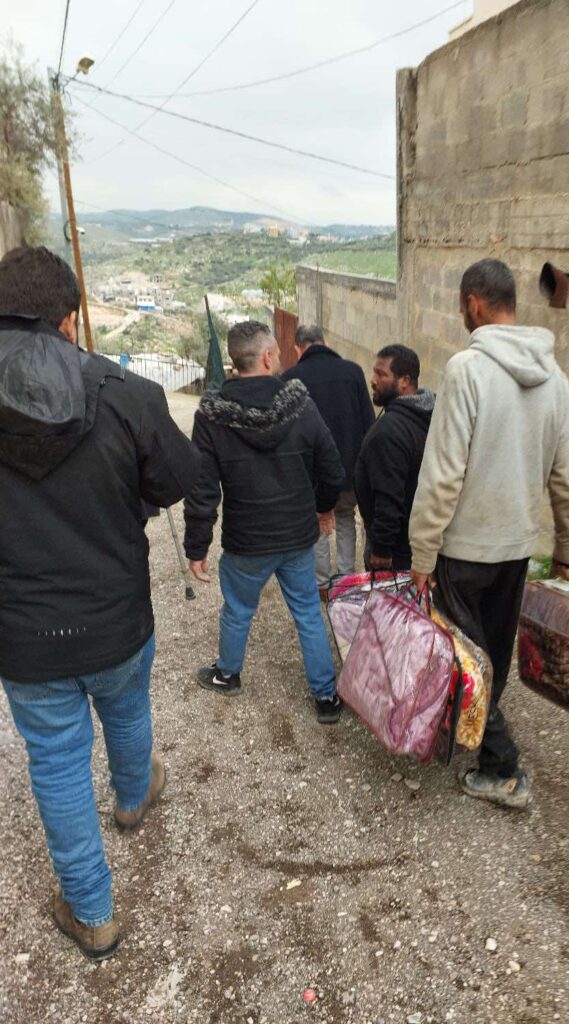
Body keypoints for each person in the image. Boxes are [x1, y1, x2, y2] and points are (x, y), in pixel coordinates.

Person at [0, 246, 200, 960]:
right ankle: (132, 797)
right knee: (127, 706)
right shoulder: (126, 392)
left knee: (55, 762)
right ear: (69, 318)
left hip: (23, 634)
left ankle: (91, 912)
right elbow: (175, 481)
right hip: (117, 614)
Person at [409, 258, 569, 809]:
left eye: (462, 306)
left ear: (474, 303)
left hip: (464, 550)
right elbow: (567, 478)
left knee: (465, 658)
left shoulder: (467, 370)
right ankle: (477, 732)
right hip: (516, 550)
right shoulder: (555, 379)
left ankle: (503, 767)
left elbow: (443, 474)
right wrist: (567, 550)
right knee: (491, 656)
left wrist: (422, 553)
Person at [184, 320, 346, 723]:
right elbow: (332, 468)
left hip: (246, 540)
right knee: (308, 613)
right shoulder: (300, 404)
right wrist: (323, 508)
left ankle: (228, 674)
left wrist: (197, 546)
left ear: (236, 361)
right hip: (297, 536)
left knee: (238, 609)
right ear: (268, 356)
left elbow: (203, 487)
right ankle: (326, 697)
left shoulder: (211, 416)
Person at [282, 324, 374, 597]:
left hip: (310, 473)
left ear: (298, 348)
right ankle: (346, 581)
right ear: (325, 343)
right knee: (345, 519)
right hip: (349, 469)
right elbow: (368, 422)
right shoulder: (353, 372)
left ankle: (322, 584)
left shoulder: (290, 378)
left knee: (317, 524)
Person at [355, 344, 435, 571]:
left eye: (381, 374)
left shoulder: (390, 431)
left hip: (395, 553)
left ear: (404, 381)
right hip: (416, 544)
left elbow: (388, 495)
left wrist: (381, 548)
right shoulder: (428, 412)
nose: (373, 380)